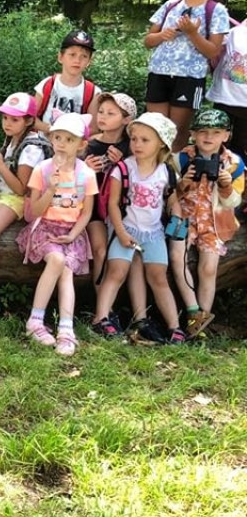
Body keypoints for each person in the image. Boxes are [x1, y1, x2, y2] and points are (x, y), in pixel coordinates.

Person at [92, 113, 186, 345]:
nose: (137, 144)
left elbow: (172, 200)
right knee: (116, 272)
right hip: (126, 228)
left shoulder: (167, 172)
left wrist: (177, 221)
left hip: (153, 233)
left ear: (161, 143)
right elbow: (113, 203)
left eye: (145, 140)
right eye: (134, 139)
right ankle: (100, 317)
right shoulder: (123, 169)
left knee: (158, 277)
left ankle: (174, 327)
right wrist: (122, 234)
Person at [14, 113, 98, 356]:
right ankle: (35, 320)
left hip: (71, 233)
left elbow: (86, 213)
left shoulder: (86, 175)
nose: (61, 143)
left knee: (67, 273)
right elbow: (35, 210)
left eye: (69, 139)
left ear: (81, 144)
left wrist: (72, 235)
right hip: (45, 228)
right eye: (57, 137)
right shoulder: (42, 169)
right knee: (58, 261)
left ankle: (66, 328)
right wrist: (51, 187)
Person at [0, 93, 50, 327]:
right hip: (2, 192)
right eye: (5, 117)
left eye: (14, 119)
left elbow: (20, 188)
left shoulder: (30, 149)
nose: (7, 123)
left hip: (15, 199)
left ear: (29, 121)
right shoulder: (15, 139)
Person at [169, 108, 244, 338]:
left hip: (214, 223)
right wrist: (183, 183)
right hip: (184, 218)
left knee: (209, 268)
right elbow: (168, 193)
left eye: (215, 132)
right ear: (192, 133)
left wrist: (226, 185)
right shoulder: (180, 158)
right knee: (177, 258)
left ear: (226, 136)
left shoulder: (234, 163)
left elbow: (234, 201)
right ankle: (194, 311)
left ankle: (202, 317)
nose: (208, 137)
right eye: (202, 132)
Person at [144, 0, 230, 151]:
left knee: (177, 130)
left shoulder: (216, 11)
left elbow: (212, 51)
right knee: (155, 127)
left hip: (190, 79)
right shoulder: (169, 6)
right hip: (158, 73)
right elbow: (148, 41)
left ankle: (173, 172)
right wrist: (161, 35)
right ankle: (154, 175)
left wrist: (193, 33)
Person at [82, 92, 144, 338]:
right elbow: (70, 172)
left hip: (123, 212)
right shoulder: (89, 144)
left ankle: (132, 313)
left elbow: (145, 176)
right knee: (99, 250)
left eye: (111, 113)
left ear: (126, 119)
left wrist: (126, 161)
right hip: (94, 207)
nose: (103, 117)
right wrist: (85, 169)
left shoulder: (133, 146)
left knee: (130, 257)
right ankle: (104, 311)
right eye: (101, 112)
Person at [32, 30, 101, 133]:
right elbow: (31, 118)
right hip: (43, 144)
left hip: (74, 147)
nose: (77, 60)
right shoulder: (47, 84)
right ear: (60, 57)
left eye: (84, 56)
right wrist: (51, 130)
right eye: (72, 54)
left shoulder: (92, 92)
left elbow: (93, 129)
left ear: (89, 61)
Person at [205, 20, 247, 159]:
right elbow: (213, 49)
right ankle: (212, 175)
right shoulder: (236, 32)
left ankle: (238, 176)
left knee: (241, 146)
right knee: (215, 143)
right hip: (224, 98)